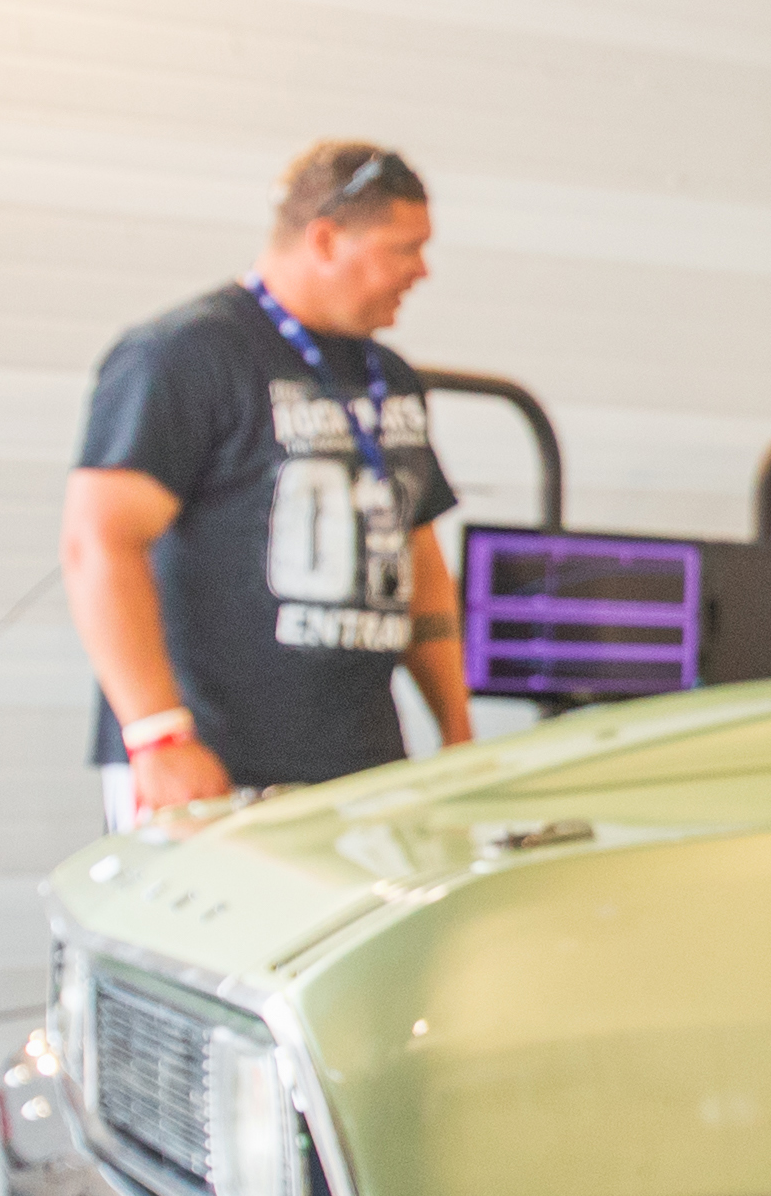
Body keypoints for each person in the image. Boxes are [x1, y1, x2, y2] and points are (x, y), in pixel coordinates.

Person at [64, 140, 474, 826]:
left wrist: (457, 732)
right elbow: (97, 542)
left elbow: (419, 559)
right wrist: (158, 736)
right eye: (404, 248)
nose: (421, 271)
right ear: (324, 239)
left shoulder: (389, 378)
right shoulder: (183, 355)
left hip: (361, 767)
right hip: (214, 767)